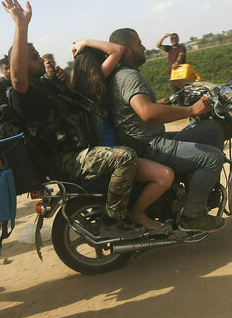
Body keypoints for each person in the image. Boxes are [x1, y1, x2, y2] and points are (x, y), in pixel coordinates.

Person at [3, 0, 143, 238]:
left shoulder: (47, 85)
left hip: (78, 149)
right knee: (125, 158)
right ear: (22, 63)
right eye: (34, 57)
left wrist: (64, 82)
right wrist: (20, 25)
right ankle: (114, 220)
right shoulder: (23, 95)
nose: (42, 59)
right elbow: (17, 79)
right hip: (65, 159)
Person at [109, 28, 226, 232]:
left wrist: (170, 101)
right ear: (126, 51)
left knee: (203, 133)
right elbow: (146, 112)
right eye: (139, 43)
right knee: (212, 158)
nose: (144, 47)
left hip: (143, 138)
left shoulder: (121, 74)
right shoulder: (129, 76)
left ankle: (185, 196)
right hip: (147, 144)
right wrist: (191, 109)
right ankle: (193, 216)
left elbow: (139, 106)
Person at [70, 39, 174, 232]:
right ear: (94, 65)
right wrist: (86, 42)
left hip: (110, 153)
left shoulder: (82, 88)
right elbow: (118, 50)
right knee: (164, 176)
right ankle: (137, 214)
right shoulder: (92, 85)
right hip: (114, 157)